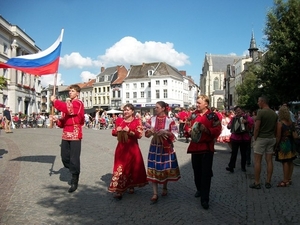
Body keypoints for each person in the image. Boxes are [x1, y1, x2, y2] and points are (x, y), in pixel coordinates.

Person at [184, 95, 221, 210]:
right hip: (195, 147)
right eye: (197, 102)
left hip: (206, 148)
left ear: (206, 104)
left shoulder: (212, 116)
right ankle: (199, 189)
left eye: (199, 103)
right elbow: (186, 125)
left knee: (205, 173)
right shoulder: (193, 115)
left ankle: (205, 198)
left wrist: (207, 130)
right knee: (197, 171)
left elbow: (218, 129)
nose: (197, 104)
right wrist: (188, 131)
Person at [108, 103, 148, 199]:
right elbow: (113, 132)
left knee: (132, 167)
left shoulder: (137, 121)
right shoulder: (119, 120)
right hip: (121, 148)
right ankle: (119, 189)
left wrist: (129, 130)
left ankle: (131, 185)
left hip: (132, 148)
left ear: (132, 111)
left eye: (128, 110)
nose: (125, 111)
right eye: (124, 110)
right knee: (120, 167)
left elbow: (139, 135)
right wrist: (116, 131)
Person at [50, 84, 84, 193]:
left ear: (77, 93)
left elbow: (69, 110)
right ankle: (74, 169)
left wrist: (55, 101)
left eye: (73, 91)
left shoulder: (78, 103)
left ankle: (75, 178)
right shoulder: (68, 104)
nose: (70, 92)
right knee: (64, 157)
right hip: (66, 133)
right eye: (70, 91)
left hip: (75, 132)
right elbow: (63, 122)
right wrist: (57, 121)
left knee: (74, 158)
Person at [145, 101, 181, 204]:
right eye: (155, 107)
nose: (155, 109)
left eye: (157, 107)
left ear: (163, 108)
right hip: (155, 146)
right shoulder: (151, 119)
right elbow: (146, 134)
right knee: (153, 167)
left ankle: (165, 187)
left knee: (165, 168)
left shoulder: (170, 121)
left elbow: (175, 135)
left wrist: (166, 132)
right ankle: (155, 193)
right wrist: (150, 132)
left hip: (166, 147)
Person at [250, 95, 278, 189]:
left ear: (263, 102)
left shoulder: (261, 112)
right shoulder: (274, 114)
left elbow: (257, 127)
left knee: (258, 161)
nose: (258, 103)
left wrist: (254, 137)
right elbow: (275, 128)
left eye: (259, 101)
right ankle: (268, 181)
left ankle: (257, 182)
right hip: (271, 138)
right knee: (269, 160)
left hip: (261, 138)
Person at [226, 106, 254, 173]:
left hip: (244, 138)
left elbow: (251, 123)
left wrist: (246, 121)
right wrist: (229, 126)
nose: (238, 112)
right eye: (236, 111)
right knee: (234, 153)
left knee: (243, 153)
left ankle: (243, 167)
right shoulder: (234, 118)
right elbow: (229, 125)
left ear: (242, 111)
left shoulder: (246, 117)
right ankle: (231, 167)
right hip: (235, 138)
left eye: (239, 110)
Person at [274, 106, 297, 187]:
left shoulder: (280, 123)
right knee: (291, 161)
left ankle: (285, 180)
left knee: (285, 162)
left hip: (284, 144)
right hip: (292, 143)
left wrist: (276, 146)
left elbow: (278, 136)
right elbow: (294, 134)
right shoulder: (291, 122)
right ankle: (289, 178)